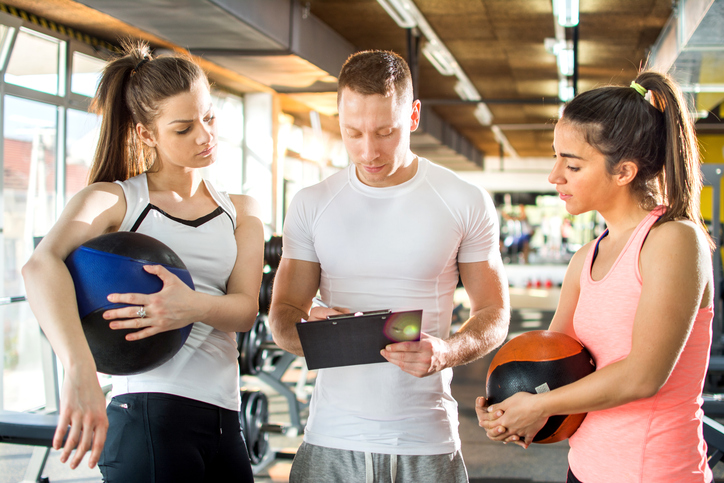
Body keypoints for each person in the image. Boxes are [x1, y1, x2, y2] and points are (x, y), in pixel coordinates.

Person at [22, 41, 263, 482]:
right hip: (149, 411)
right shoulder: (115, 200)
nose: (205, 136)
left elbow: (245, 310)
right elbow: (40, 266)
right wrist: (80, 372)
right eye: (184, 128)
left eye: (209, 117)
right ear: (147, 134)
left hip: (227, 418)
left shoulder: (241, 212)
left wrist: (192, 306)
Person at [268, 50, 510, 483]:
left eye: (385, 132)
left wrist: (446, 352)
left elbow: (494, 312)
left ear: (413, 116)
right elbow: (283, 317)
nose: (369, 151)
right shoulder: (311, 204)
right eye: (353, 132)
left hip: (426, 441)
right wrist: (314, 327)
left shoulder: (463, 201)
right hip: (331, 440)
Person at [476, 71, 715, 482]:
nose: (554, 176)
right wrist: (511, 412)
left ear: (623, 172)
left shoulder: (674, 240)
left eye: (572, 164)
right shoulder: (586, 258)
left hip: (654, 473)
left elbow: (643, 375)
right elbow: (550, 365)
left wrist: (536, 407)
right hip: (583, 470)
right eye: (556, 158)